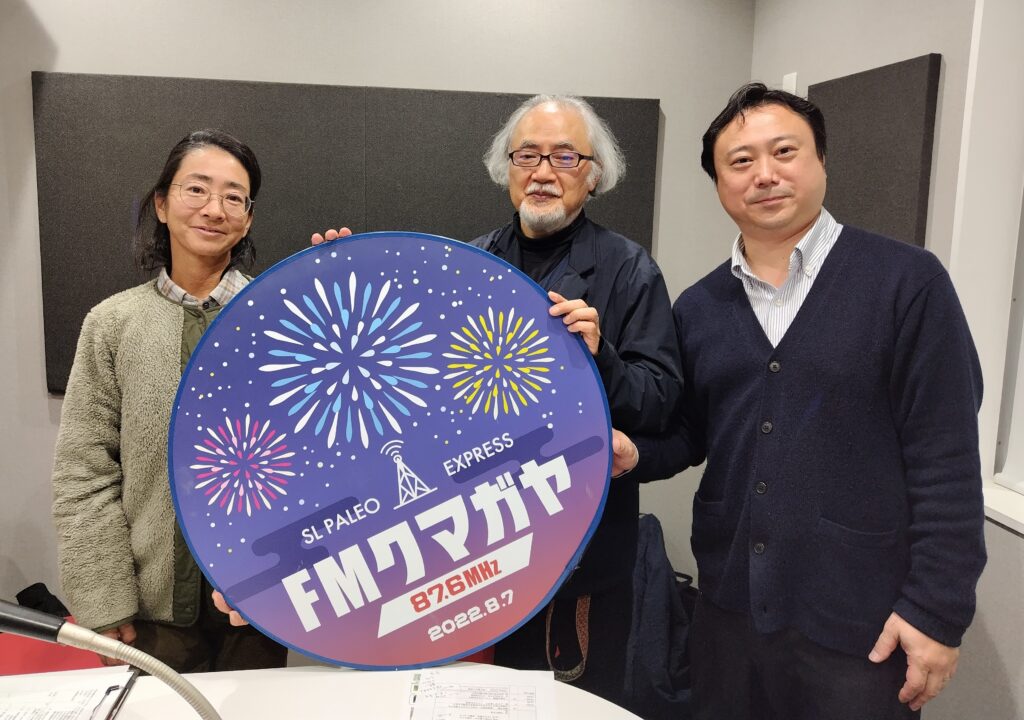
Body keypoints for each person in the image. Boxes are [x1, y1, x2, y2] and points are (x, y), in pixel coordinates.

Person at [613, 83, 987, 719]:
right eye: (740, 161)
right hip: (729, 612)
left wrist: (936, 610)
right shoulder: (700, 307)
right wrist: (635, 454)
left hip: (861, 623)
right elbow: (694, 432)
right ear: (719, 184)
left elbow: (946, 457)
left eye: (784, 151)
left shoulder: (907, 282)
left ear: (820, 160)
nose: (764, 174)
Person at [312, 95, 682, 711]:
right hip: (474, 553)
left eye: (565, 157)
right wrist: (345, 285)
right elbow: (412, 389)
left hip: (578, 563)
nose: (543, 172)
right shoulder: (468, 262)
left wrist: (603, 357)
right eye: (527, 155)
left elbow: (661, 402)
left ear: (594, 175)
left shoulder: (629, 271)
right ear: (506, 169)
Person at [52, 129, 288, 673]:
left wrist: (337, 280)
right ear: (161, 204)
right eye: (196, 189)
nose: (215, 209)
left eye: (234, 197)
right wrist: (103, 599)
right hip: (153, 612)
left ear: (248, 219)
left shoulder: (280, 315)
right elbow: (84, 472)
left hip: (257, 600)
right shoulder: (113, 323)